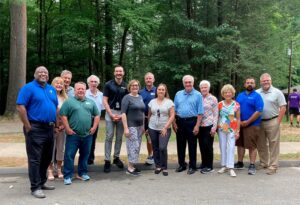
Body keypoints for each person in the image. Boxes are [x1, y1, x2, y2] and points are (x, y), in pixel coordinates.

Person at [16, 66, 58, 198]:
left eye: (45, 72)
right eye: (40, 72)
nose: (43, 74)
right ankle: (35, 187)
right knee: (35, 159)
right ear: (35, 75)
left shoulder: (51, 89)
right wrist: (28, 126)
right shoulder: (28, 88)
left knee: (46, 158)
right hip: (35, 128)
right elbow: (20, 106)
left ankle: (41, 182)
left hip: (49, 128)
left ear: (48, 75)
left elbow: (55, 107)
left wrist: (56, 125)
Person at [60, 82, 100, 185]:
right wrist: (67, 128)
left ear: (85, 90)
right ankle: (68, 176)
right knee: (69, 155)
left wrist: (94, 127)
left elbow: (97, 115)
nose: (81, 91)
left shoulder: (90, 102)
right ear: (75, 90)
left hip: (87, 135)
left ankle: (82, 173)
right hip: (73, 134)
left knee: (85, 155)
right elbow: (63, 115)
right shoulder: (69, 102)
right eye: (78, 89)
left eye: (82, 89)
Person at [173, 75, 204, 175]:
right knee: (180, 144)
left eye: (189, 82)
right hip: (180, 122)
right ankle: (182, 164)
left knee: (192, 145)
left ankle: (192, 166)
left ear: (193, 83)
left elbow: (200, 112)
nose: (188, 84)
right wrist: (174, 123)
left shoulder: (198, 95)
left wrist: (197, 126)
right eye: (186, 82)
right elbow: (174, 110)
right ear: (183, 83)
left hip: (192, 122)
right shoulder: (178, 94)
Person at [257, 73, 286, 175]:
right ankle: (264, 163)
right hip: (259, 122)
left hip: (272, 120)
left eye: (267, 80)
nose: (266, 82)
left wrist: (278, 122)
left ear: (271, 81)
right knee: (261, 144)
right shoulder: (257, 93)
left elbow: (283, 107)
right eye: (263, 81)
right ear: (260, 82)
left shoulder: (277, 92)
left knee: (273, 144)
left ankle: (273, 165)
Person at [235, 77, 264, 175]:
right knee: (240, 144)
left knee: (252, 146)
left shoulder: (257, 96)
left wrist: (248, 121)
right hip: (240, 124)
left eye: (252, 83)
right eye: (247, 82)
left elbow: (259, 111)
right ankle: (240, 163)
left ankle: (252, 165)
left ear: (255, 85)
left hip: (253, 125)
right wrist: (238, 122)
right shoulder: (239, 95)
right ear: (244, 84)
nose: (249, 84)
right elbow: (235, 109)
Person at [103, 65, 128, 173]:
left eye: (120, 71)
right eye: (117, 71)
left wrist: (123, 114)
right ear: (114, 73)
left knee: (119, 137)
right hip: (110, 112)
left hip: (122, 113)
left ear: (123, 73)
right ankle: (107, 160)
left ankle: (116, 158)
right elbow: (105, 100)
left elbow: (127, 101)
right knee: (109, 136)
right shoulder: (108, 84)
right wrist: (110, 114)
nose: (118, 73)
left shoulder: (126, 85)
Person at [148, 83, 175, 176]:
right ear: (156, 91)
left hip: (165, 128)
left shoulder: (169, 102)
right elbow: (149, 115)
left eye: (163, 89)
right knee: (155, 147)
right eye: (159, 89)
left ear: (165, 91)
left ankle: (164, 167)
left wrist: (165, 128)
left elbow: (172, 116)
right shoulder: (152, 102)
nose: (161, 91)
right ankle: (158, 166)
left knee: (162, 147)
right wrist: (148, 127)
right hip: (152, 128)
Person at [121, 80, 145, 176]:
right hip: (131, 126)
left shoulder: (140, 97)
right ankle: (130, 168)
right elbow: (123, 113)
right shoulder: (126, 98)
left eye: (136, 85)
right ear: (129, 87)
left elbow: (142, 112)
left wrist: (143, 125)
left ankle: (133, 165)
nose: (135, 87)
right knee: (133, 146)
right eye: (133, 85)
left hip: (140, 126)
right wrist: (126, 128)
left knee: (137, 146)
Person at [217, 84, 240, 177]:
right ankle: (224, 166)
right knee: (222, 147)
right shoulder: (219, 104)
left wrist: (238, 131)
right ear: (223, 94)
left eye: (229, 92)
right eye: (225, 92)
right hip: (222, 128)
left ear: (232, 93)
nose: (227, 94)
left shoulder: (236, 104)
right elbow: (218, 116)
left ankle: (231, 167)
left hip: (232, 128)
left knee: (231, 147)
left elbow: (238, 118)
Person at [47, 77, 68, 180]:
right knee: (50, 149)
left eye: (61, 83)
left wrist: (63, 125)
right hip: (50, 127)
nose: (59, 85)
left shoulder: (65, 98)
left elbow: (68, 114)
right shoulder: (48, 96)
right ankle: (50, 170)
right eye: (57, 83)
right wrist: (54, 126)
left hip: (62, 127)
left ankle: (59, 169)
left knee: (60, 149)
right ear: (52, 84)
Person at [197, 80, 218, 174]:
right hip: (199, 125)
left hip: (209, 125)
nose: (204, 89)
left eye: (205, 87)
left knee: (208, 145)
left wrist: (214, 127)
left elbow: (216, 114)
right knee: (201, 145)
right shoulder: (198, 97)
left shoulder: (213, 99)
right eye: (202, 87)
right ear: (200, 89)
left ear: (209, 88)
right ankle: (204, 163)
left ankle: (209, 166)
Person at [85, 75, 104, 165]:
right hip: (85, 120)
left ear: (98, 83)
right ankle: (84, 158)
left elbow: (102, 108)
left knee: (93, 140)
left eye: (95, 82)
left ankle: (90, 159)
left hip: (96, 120)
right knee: (84, 140)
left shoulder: (101, 95)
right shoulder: (84, 93)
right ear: (88, 83)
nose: (93, 83)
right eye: (92, 82)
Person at [140, 72, 156, 165]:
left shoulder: (158, 90)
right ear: (145, 80)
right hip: (144, 118)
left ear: (153, 80)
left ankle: (156, 155)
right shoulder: (140, 92)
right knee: (148, 138)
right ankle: (150, 155)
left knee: (155, 138)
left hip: (155, 118)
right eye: (147, 78)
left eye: (150, 78)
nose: (149, 80)